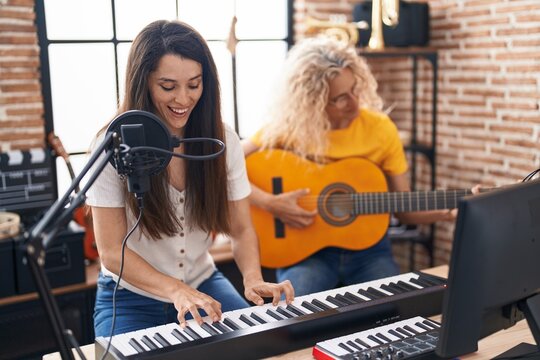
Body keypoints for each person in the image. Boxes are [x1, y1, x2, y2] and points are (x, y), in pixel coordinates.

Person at [87, 20, 294, 337]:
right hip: (130, 299)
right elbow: (112, 252)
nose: (183, 99)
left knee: (263, 344)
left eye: (194, 85)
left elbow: (240, 229)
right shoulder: (111, 144)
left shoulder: (224, 140)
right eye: (168, 87)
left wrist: (252, 277)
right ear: (143, 83)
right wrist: (175, 290)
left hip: (202, 285)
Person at [242, 37, 476, 296]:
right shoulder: (291, 128)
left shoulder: (381, 129)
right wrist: (269, 202)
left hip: (370, 253)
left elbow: (404, 210)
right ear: (313, 101)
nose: (354, 103)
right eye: (340, 98)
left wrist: (448, 212)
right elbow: (226, 167)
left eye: (355, 90)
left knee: (397, 311)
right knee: (289, 317)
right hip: (306, 254)